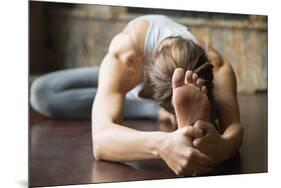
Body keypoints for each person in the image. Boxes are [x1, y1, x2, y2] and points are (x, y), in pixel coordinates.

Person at [30, 15, 243, 176]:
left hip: (152, 87)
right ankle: (155, 111)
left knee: (44, 95)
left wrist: (224, 146)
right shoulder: (126, 56)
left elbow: (235, 128)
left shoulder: (217, 65)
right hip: (129, 84)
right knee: (41, 92)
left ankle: (187, 123)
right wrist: (162, 145)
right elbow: (101, 141)